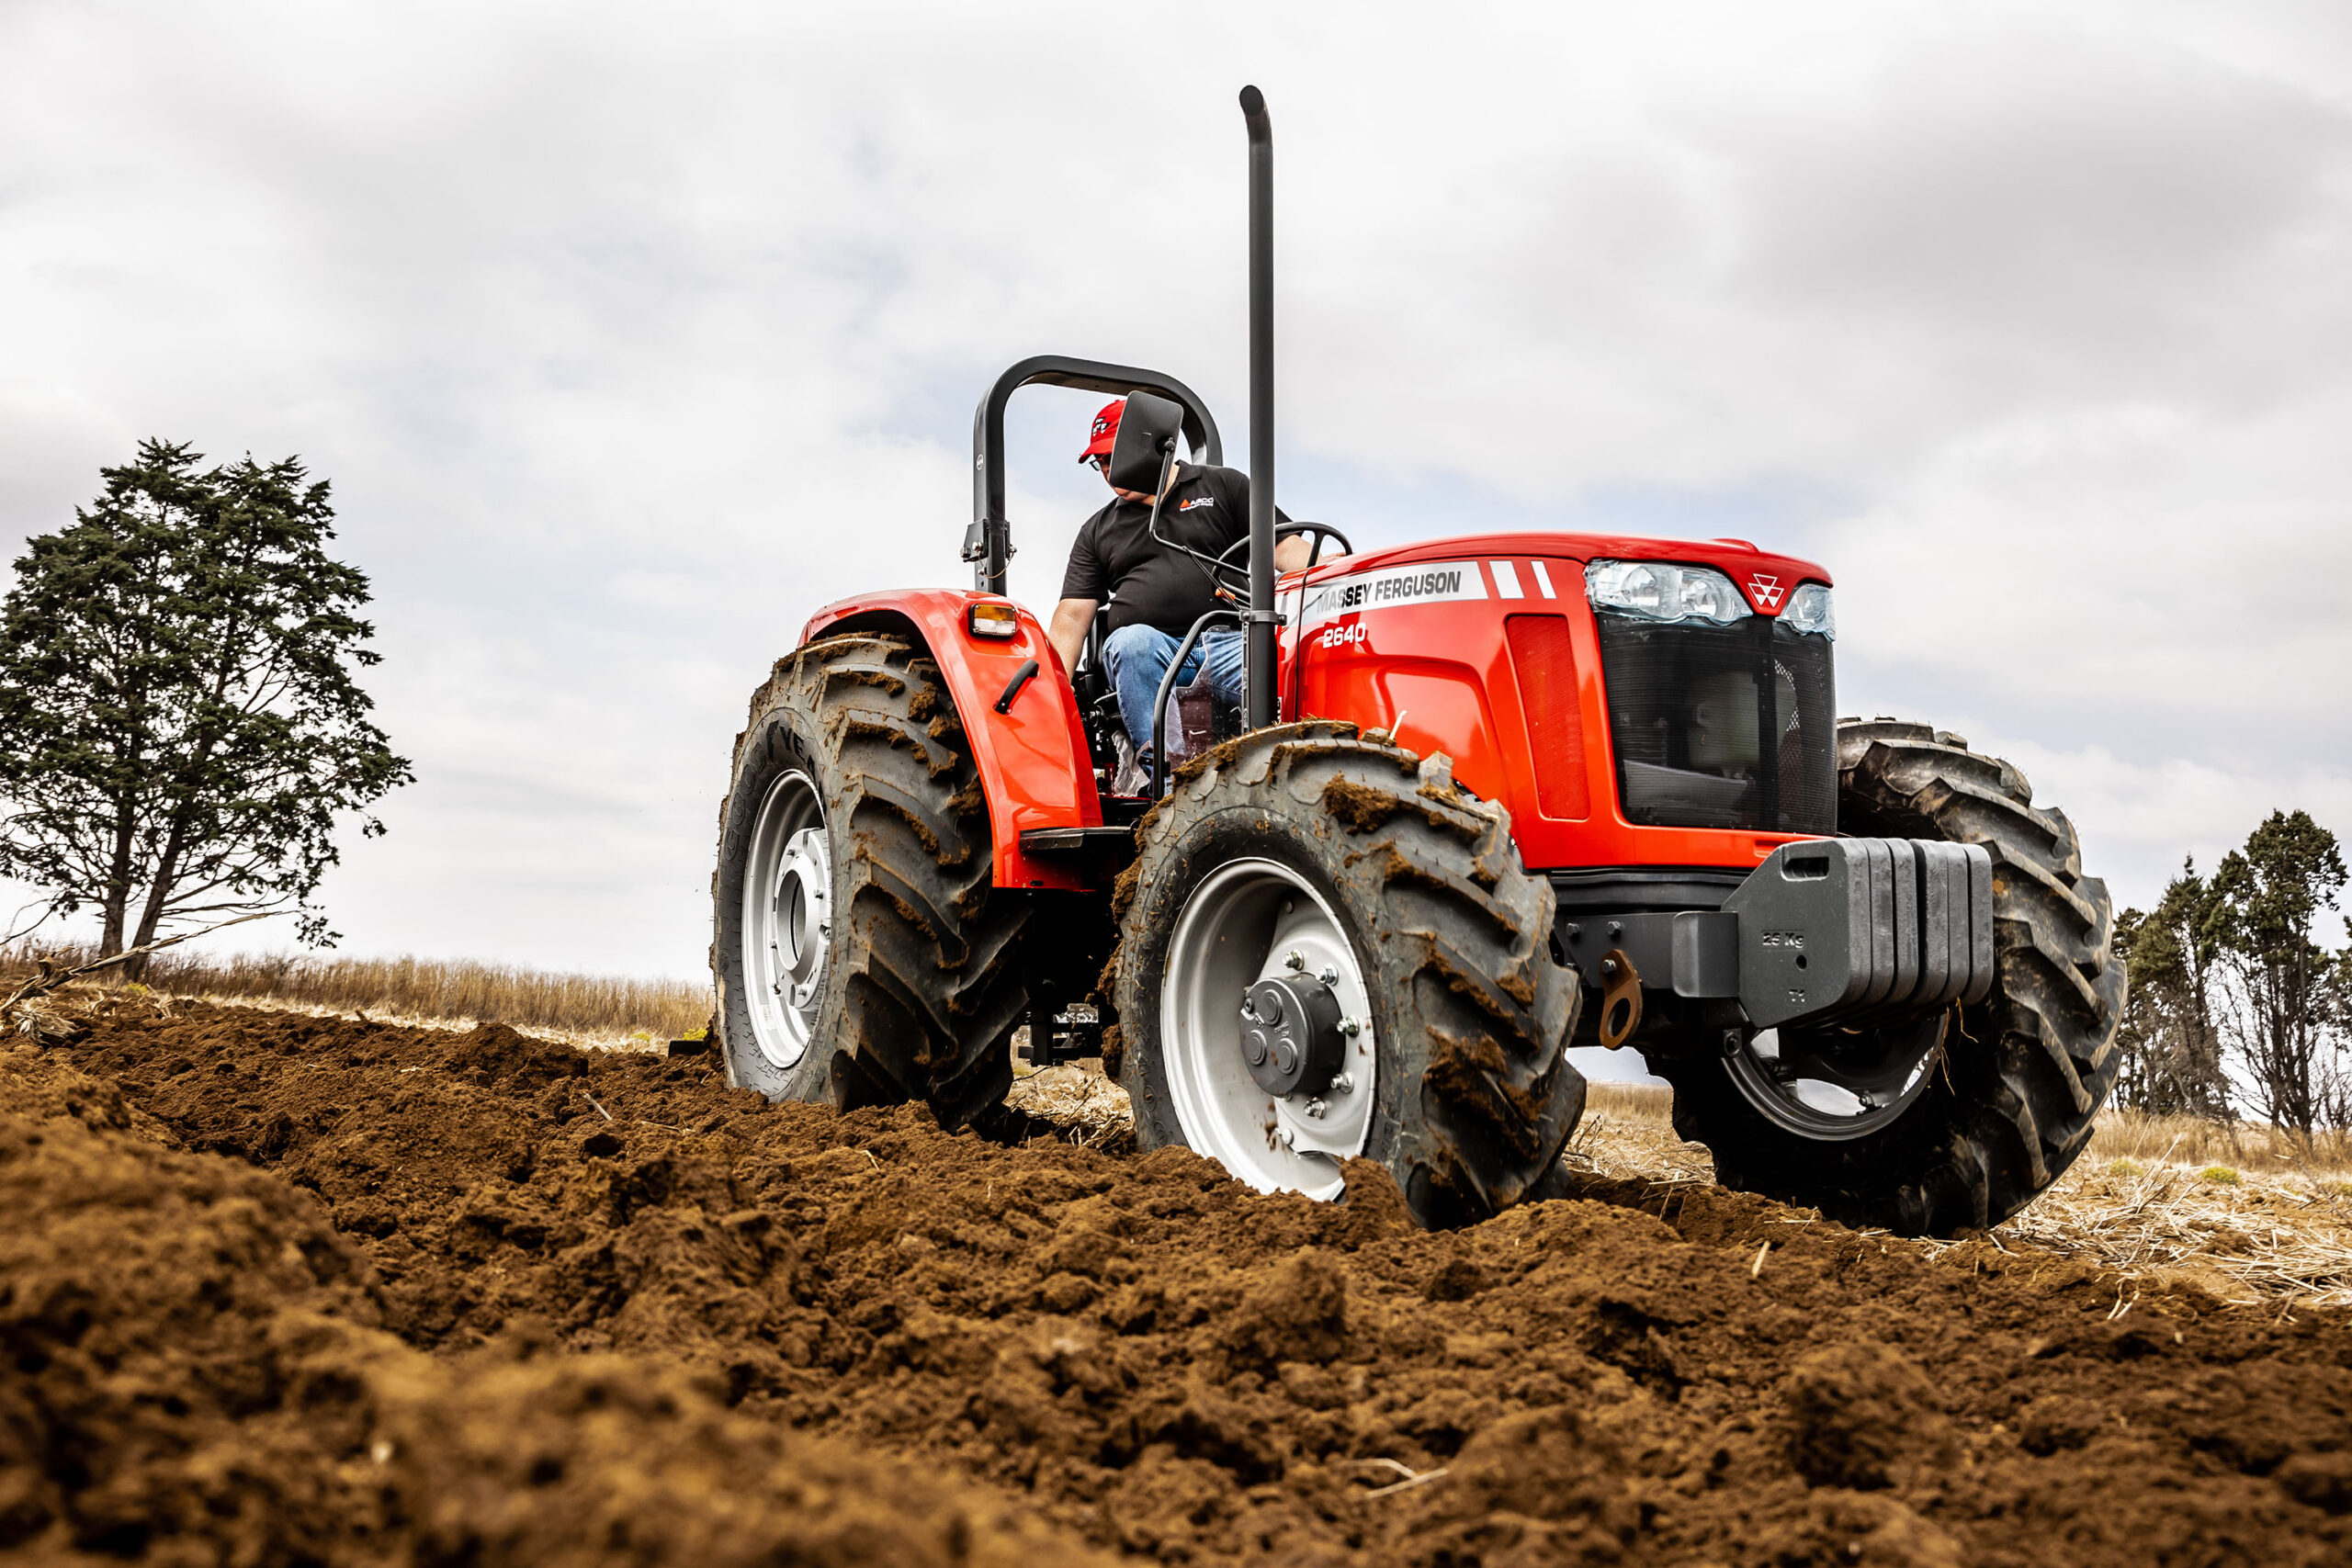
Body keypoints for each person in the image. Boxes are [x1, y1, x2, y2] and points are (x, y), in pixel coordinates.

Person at [1046, 399, 1337, 784]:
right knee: (1131, 643)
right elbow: (1071, 615)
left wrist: (1335, 566)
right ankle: (1171, 785)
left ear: (1152, 445)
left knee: (1296, 650)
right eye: (1098, 461)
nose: (1106, 469)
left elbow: (1283, 548)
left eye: (1114, 456)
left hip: (1232, 643)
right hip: (1157, 653)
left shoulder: (1222, 486)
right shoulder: (1098, 530)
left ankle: (1314, 769)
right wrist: (1054, 689)